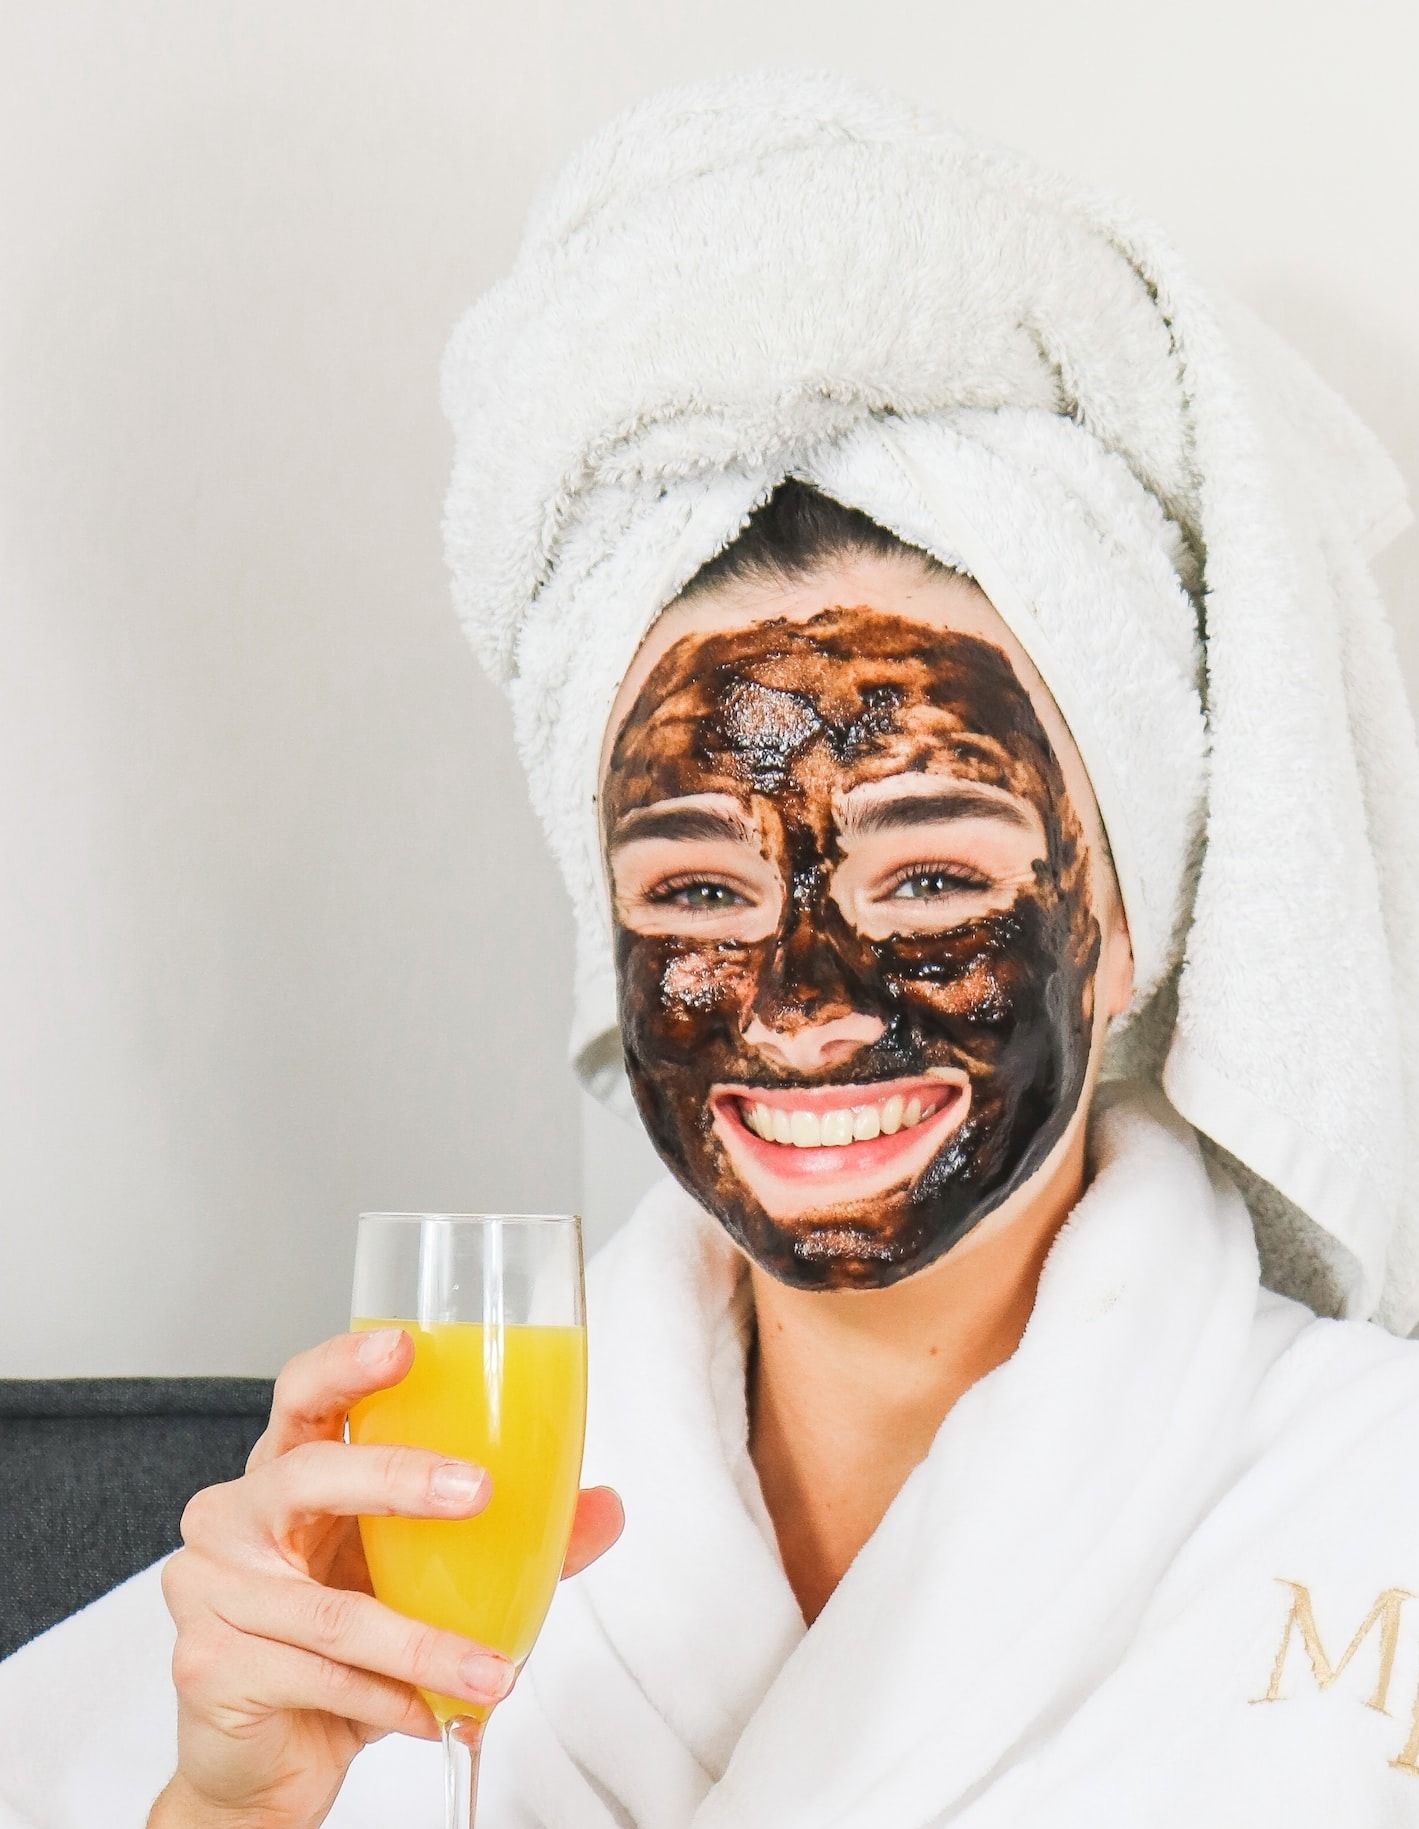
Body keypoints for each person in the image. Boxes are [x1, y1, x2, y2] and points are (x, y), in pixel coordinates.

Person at [4, 65, 1419, 1829]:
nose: (805, 1005)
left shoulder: (1374, 1516)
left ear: (1123, 922)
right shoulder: (408, 1537)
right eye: (696, 894)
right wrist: (232, 1811)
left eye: (925, 883)